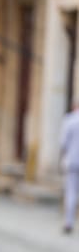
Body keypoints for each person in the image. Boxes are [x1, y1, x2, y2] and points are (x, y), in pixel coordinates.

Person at [60, 100, 79, 234]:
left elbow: (63, 143)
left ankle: (69, 222)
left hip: (73, 161)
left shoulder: (70, 120)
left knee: (71, 192)